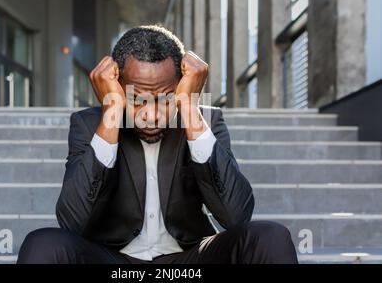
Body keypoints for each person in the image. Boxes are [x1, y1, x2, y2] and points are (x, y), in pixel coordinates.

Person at [17, 25, 298, 264]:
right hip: (114, 262)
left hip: (188, 261)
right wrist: (112, 115)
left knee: (271, 237)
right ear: (115, 85)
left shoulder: (204, 121)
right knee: (42, 244)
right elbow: (73, 221)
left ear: (180, 86)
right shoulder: (89, 125)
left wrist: (189, 110)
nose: (151, 115)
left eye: (164, 98)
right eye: (137, 99)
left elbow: (236, 215)